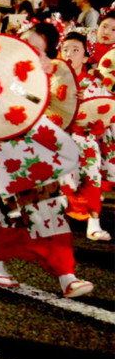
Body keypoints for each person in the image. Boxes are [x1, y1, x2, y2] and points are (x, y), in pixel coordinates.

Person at [0, 22, 93, 299]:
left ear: (48, 56)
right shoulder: (1, 75)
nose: (28, 53)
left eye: (37, 50)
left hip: (38, 157)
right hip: (9, 156)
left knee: (45, 215)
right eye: (24, 45)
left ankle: (64, 275)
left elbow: (57, 117)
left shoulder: (52, 82)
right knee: (17, 217)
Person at [59, 32, 111, 241]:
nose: (69, 54)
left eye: (75, 50)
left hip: (83, 136)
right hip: (57, 138)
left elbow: (104, 111)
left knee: (92, 170)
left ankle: (94, 223)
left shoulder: (92, 83)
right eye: (65, 50)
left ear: (86, 56)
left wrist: (89, 108)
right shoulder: (51, 79)